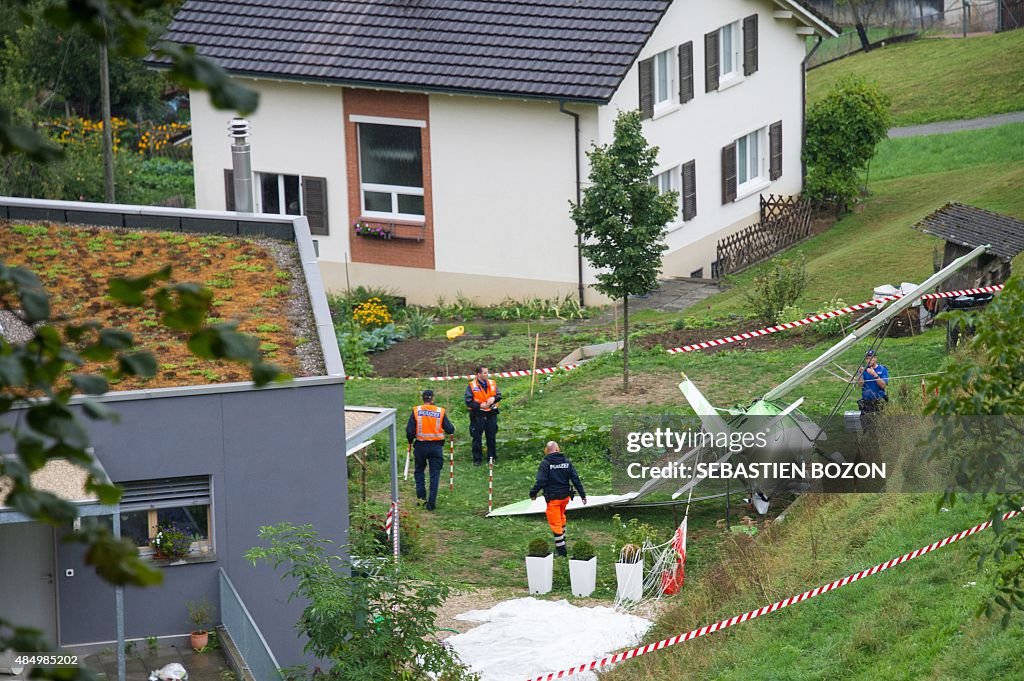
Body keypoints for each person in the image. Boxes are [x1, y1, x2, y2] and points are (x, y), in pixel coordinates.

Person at [529, 441, 587, 557]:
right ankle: (562, 541)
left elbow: (541, 481)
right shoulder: (566, 462)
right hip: (565, 497)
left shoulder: (546, 464)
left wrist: (533, 493)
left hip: (553, 498)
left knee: (555, 523)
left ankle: (561, 550)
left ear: (547, 450)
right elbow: (575, 479)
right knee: (561, 518)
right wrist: (582, 495)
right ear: (557, 449)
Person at [406, 389, 454, 511]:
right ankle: (431, 504)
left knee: (419, 472)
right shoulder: (440, 411)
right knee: (434, 474)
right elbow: (450, 429)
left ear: (423, 398)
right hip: (436, 448)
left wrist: (410, 441)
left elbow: (410, 431)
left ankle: (421, 500)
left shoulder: (416, 411)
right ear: (432, 398)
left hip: (421, 447)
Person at [465, 365, 501, 466]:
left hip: (491, 413)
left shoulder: (492, 383)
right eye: (484, 373)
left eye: (487, 372)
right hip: (478, 414)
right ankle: (477, 459)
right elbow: (468, 401)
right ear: (478, 374)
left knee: (491, 436)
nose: (487, 374)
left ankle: (492, 458)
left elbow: (499, 395)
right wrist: (480, 405)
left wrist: (494, 398)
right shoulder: (471, 386)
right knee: (476, 437)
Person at [856, 349, 889, 413]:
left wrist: (874, 375)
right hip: (866, 402)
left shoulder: (882, 369)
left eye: (870, 358)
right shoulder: (864, 370)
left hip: (879, 401)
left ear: (875, 358)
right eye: (867, 359)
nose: (869, 360)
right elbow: (860, 385)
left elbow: (883, 386)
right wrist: (860, 374)